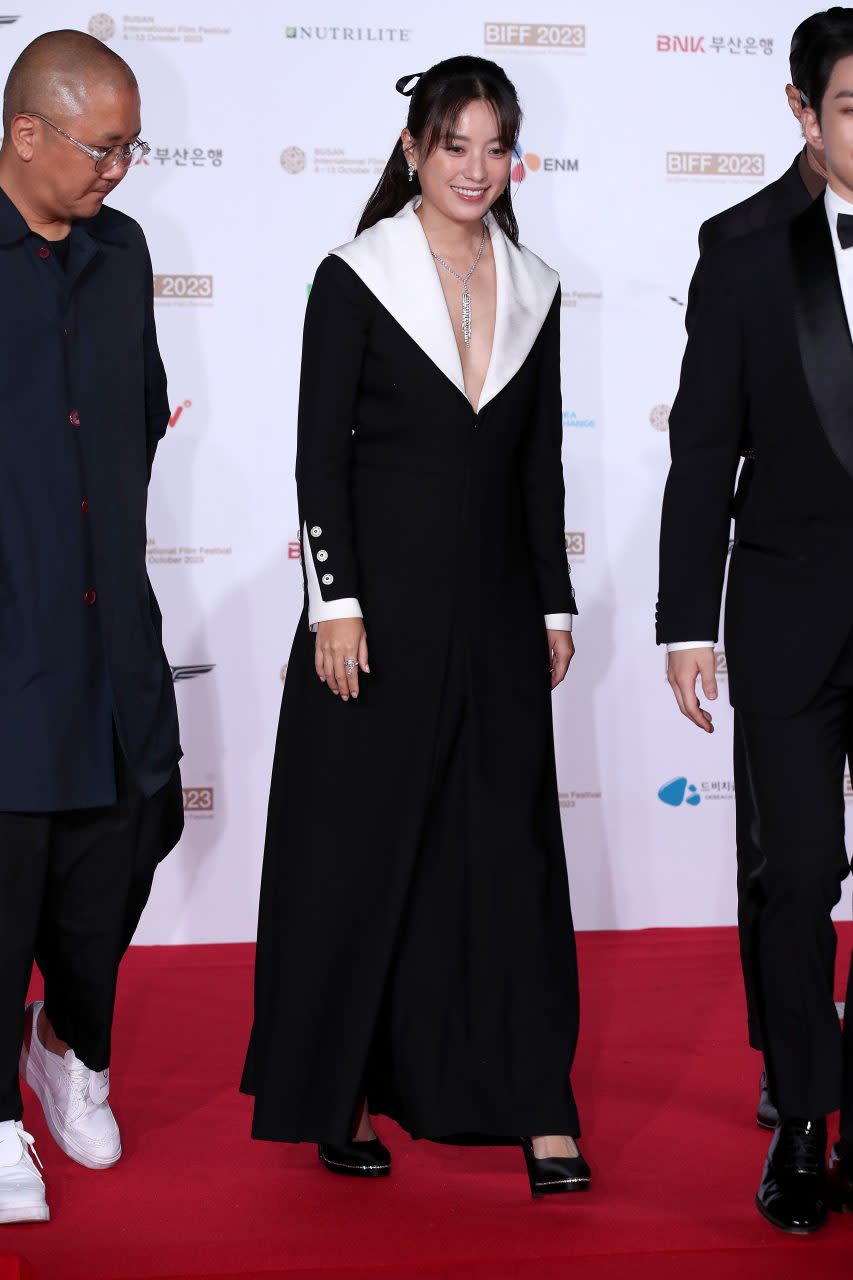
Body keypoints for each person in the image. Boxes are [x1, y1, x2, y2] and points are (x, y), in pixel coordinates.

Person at [242, 55, 588, 1198]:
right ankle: (337, 1086)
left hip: (495, 617)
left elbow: (537, 466)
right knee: (354, 859)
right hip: (372, 623)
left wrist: (551, 597)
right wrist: (330, 605)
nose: (476, 170)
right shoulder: (354, 277)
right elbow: (315, 457)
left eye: (495, 147)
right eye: (455, 146)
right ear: (413, 152)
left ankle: (541, 1101)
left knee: (510, 859)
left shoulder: (536, 284)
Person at [658, 13, 853, 1233]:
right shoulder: (737, 248)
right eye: (852, 105)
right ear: (800, 111)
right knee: (797, 879)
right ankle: (800, 1112)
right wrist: (688, 619)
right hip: (788, 608)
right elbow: (698, 449)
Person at [0, 31, 182, 1226]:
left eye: (129, 145)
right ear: (25, 135)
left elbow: (133, 419)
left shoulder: (123, 255)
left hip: (113, 625)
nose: (119, 169)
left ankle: (63, 1039)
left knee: (129, 841)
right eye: (100, 146)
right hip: (9, 629)